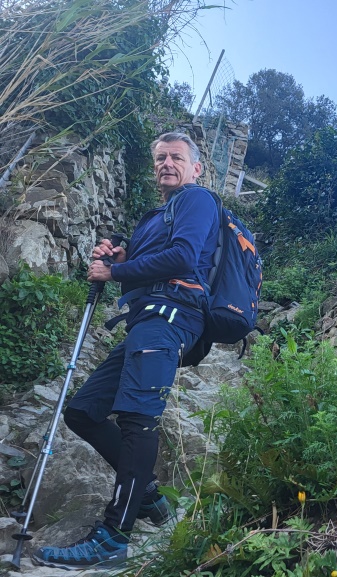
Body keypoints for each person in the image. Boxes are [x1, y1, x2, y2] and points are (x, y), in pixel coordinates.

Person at [33, 133, 219, 570]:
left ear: (196, 168)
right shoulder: (159, 214)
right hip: (146, 320)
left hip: (170, 317)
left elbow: (183, 258)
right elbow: (151, 264)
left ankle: (114, 537)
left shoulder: (196, 199)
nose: (167, 163)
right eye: (160, 157)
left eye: (177, 157)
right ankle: (149, 495)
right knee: (83, 411)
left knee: (137, 418)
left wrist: (113, 272)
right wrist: (121, 256)